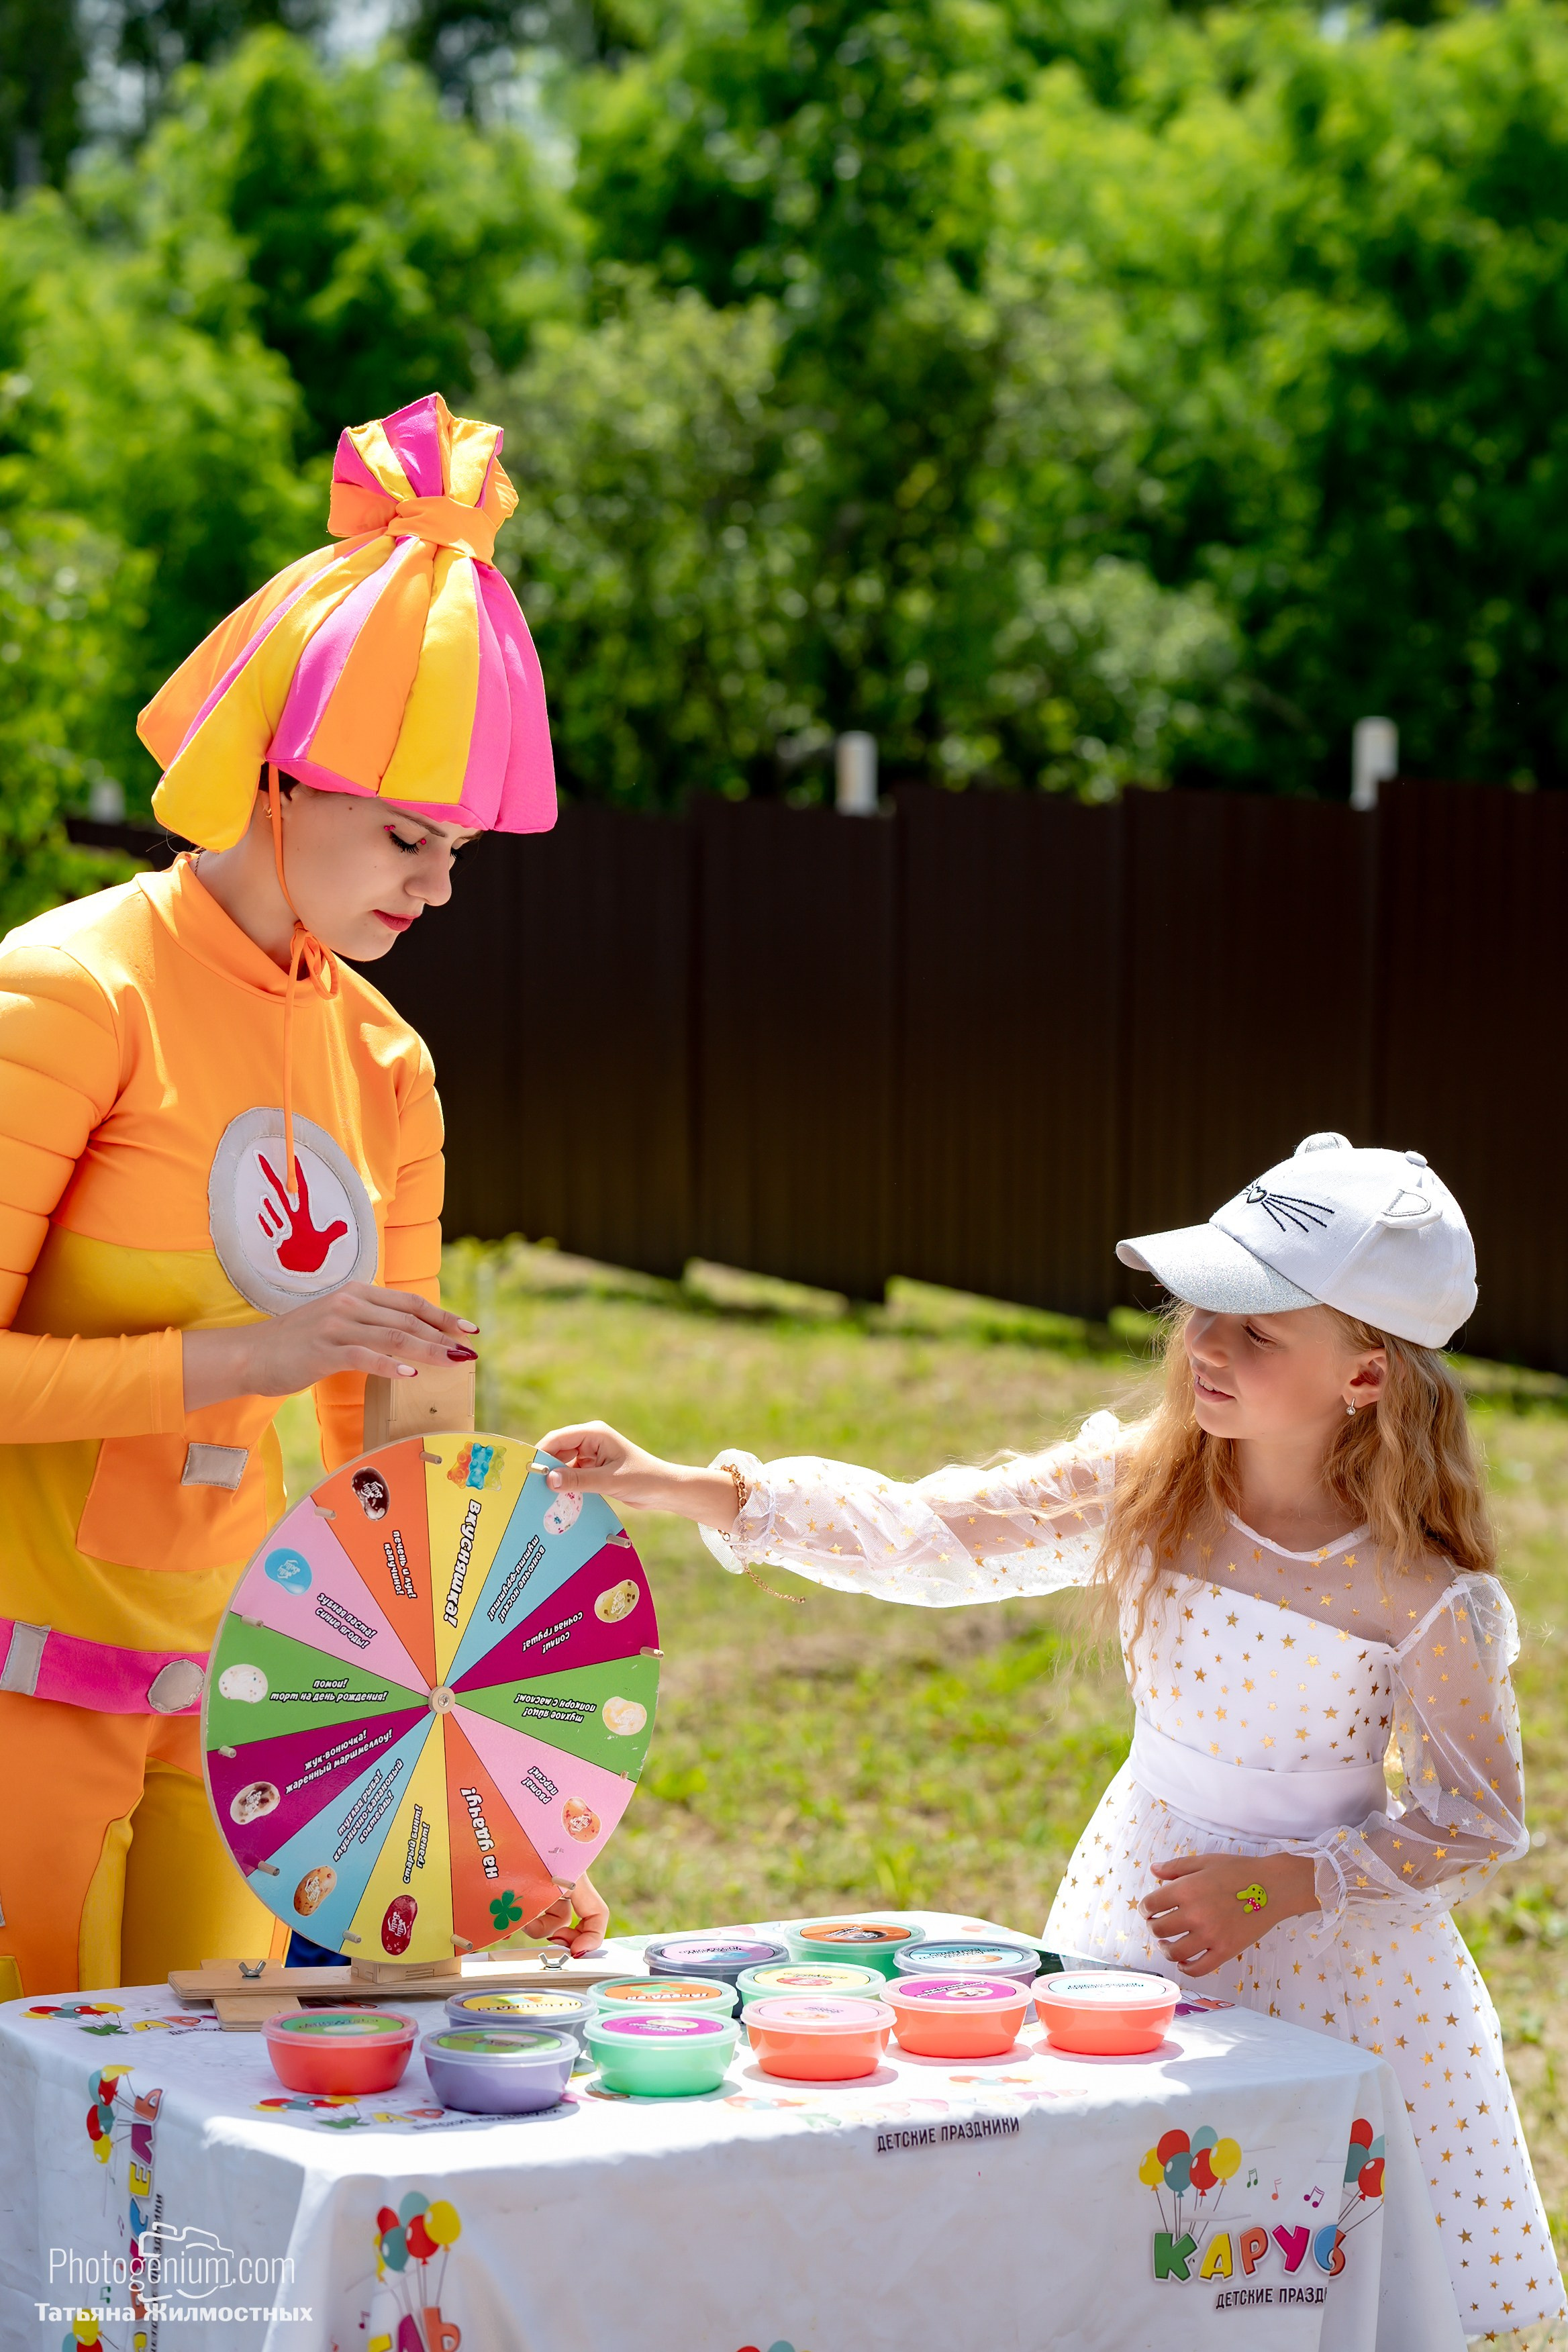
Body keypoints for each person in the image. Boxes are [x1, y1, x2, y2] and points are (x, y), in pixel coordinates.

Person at [538, 1132, 1564, 2338]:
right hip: (1140, 1914)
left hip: (1336, 1964)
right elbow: (924, 1533)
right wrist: (679, 1484)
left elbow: (1473, 1819)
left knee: (1282, 2265)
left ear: (1368, 1375)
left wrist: (1279, 1887)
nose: (1204, 1346)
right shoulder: (1150, 1484)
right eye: (1202, 1311)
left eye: (1257, 1331)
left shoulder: (1420, 1593)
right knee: (1129, 2246)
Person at [0, 391, 605, 2000]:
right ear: (277, 782)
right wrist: (244, 1359)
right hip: (20, 1693)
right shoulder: (68, 995)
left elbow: (391, 1467)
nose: (438, 885)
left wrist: (491, 1812)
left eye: (460, 850)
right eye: (408, 836)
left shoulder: (390, 1066)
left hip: (242, 1712)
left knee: (201, 2119)